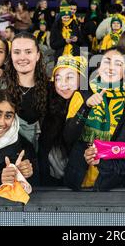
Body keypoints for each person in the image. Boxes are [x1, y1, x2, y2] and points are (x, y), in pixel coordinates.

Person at [63, 48, 125, 191]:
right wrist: (86, 107)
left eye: (118, 64)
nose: (111, 68)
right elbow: (68, 137)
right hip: (79, 179)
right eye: (107, 61)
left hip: (111, 181)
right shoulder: (82, 95)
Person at [38, 55, 87, 186]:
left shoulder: (89, 103)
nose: (63, 84)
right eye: (58, 78)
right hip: (52, 180)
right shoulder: (47, 104)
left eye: (69, 77)